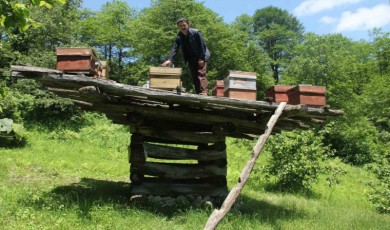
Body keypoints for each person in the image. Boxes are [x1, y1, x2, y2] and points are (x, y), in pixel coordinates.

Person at [161, 18, 210, 95]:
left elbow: (202, 46)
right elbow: (175, 48)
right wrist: (170, 59)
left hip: (201, 55)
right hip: (191, 58)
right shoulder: (179, 36)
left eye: (184, 25)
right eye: (180, 26)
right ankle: (198, 93)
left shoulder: (196, 32)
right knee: (194, 76)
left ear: (188, 25)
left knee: (201, 73)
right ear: (178, 27)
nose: (183, 27)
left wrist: (201, 58)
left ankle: (204, 92)